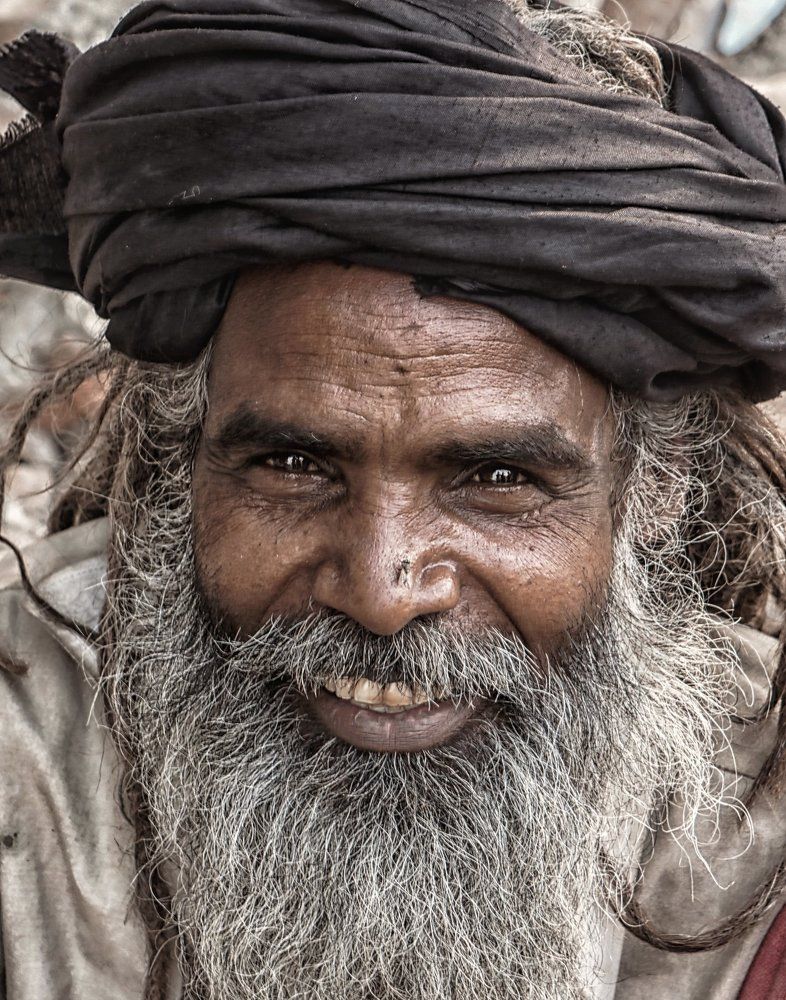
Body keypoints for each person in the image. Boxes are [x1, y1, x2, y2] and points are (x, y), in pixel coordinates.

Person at [1, 2, 786, 998]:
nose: (381, 590)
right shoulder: (22, 767)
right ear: (184, 461)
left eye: (497, 480)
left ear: (654, 490)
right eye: (294, 464)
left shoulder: (760, 859)